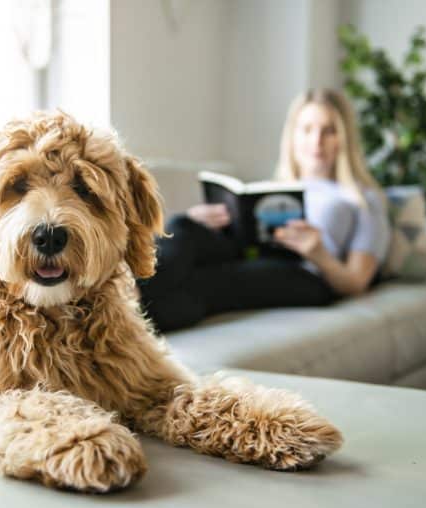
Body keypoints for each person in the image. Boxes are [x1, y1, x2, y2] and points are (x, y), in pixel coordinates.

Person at [138, 89, 390, 332]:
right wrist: (208, 222)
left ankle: (122, 315)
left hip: (307, 274)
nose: (316, 141)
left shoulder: (363, 199)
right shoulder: (278, 186)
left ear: (344, 139)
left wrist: (318, 253)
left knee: (209, 282)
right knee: (183, 226)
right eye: (307, 130)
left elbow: (356, 282)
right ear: (293, 136)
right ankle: (126, 296)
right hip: (251, 253)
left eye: (329, 131)